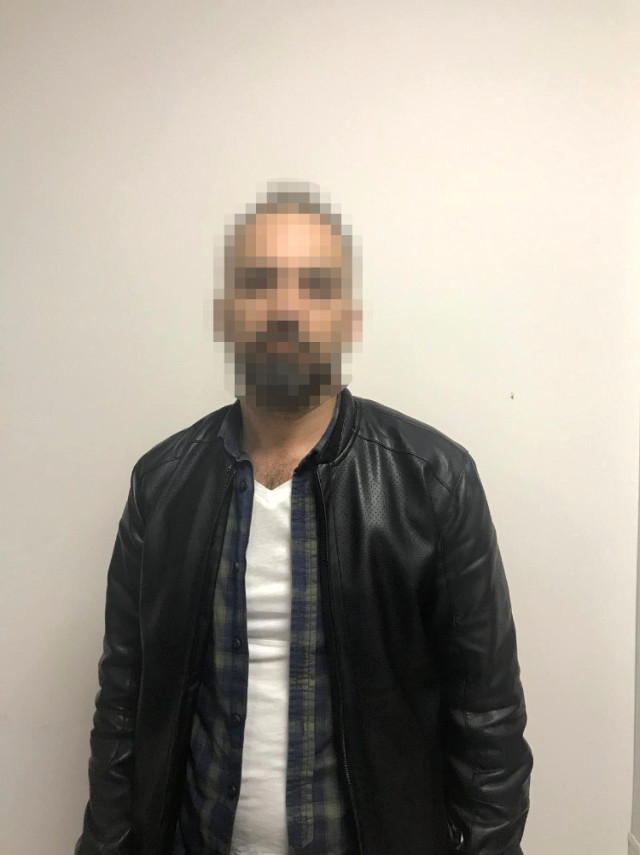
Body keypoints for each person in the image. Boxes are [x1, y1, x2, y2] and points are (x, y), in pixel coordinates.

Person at [76, 183, 533, 855]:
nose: (286, 308)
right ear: (226, 314)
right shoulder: (161, 485)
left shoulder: (435, 482)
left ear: (348, 319)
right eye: (260, 283)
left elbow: (488, 722)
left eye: (314, 285)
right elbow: (123, 701)